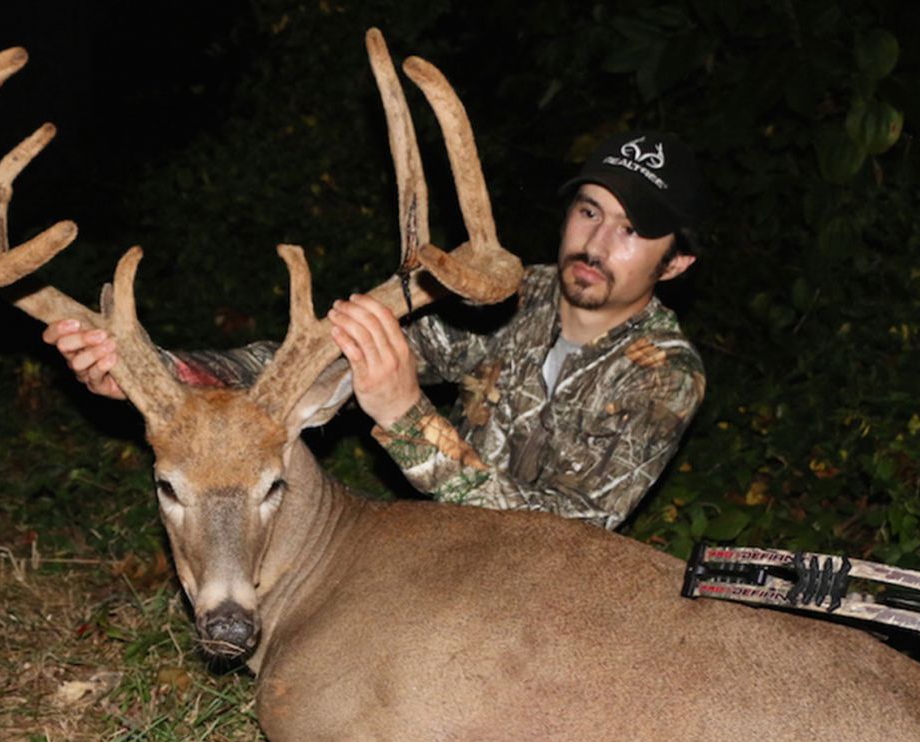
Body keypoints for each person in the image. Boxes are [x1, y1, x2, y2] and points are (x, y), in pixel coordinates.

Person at [45, 131, 706, 530]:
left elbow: (572, 533)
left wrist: (407, 417)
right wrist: (155, 372)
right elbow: (307, 366)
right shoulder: (511, 298)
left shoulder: (665, 373)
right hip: (442, 547)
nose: (595, 241)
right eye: (590, 210)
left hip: (545, 586)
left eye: (631, 230)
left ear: (676, 262)